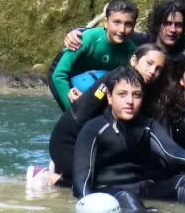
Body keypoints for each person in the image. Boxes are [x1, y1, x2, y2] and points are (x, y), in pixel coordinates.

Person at [71, 67, 185, 212]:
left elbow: (171, 151)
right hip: (107, 193)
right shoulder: (93, 129)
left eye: (136, 95)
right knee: (127, 198)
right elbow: (81, 183)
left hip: (143, 188)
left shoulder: (147, 125)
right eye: (122, 94)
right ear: (110, 97)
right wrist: (91, 206)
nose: (130, 101)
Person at [33, 43, 169, 193]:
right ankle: (50, 177)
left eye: (158, 69)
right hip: (68, 143)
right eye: (149, 64)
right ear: (134, 61)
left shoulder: (144, 89)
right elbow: (83, 115)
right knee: (107, 180)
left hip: (95, 144)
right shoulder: (112, 80)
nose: (152, 71)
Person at [49, 0, 139, 108]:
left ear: (134, 26)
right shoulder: (87, 39)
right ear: (105, 23)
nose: (122, 29)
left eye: (128, 24)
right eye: (116, 22)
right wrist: (74, 111)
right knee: (76, 119)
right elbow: (59, 75)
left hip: (96, 79)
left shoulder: (131, 51)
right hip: (63, 75)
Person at [59, 0, 185, 64]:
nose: (172, 29)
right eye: (167, 24)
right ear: (158, 25)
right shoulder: (140, 41)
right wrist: (78, 32)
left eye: (178, 25)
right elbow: (109, 32)